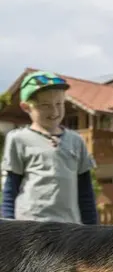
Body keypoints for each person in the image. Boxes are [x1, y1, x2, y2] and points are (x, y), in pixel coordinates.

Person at [1, 71, 98, 224]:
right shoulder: (18, 139)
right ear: (26, 107)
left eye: (59, 104)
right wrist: (6, 229)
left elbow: (85, 192)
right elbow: (10, 188)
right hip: (29, 227)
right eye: (45, 105)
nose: (54, 111)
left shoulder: (76, 141)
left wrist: (93, 231)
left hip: (69, 229)